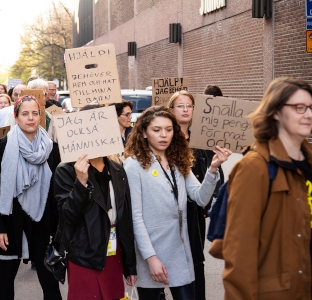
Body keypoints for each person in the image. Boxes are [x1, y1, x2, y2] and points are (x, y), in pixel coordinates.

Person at [123, 106, 230, 299]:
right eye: (156, 130)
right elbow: (136, 217)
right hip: (151, 251)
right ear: (144, 133)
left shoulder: (177, 159)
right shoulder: (133, 164)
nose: (164, 135)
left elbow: (200, 197)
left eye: (169, 129)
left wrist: (213, 169)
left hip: (179, 249)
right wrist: (150, 258)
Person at [222, 77, 312, 299]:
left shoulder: (308, 162)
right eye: (299, 108)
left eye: (311, 107)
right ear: (275, 112)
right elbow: (239, 251)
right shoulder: (255, 167)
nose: (308, 114)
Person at [53, 104, 137, 300]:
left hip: (114, 253)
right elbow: (67, 216)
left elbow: (126, 218)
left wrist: (130, 264)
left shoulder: (117, 169)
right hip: (85, 254)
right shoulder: (65, 170)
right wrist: (81, 183)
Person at [0, 95, 62, 300]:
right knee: (6, 276)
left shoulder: (52, 148)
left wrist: (57, 230)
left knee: (49, 279)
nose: (30, 118)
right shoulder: (3, 146)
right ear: (16, 117)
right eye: (25, 113)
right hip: (10, 221)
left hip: (43, 223)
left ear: (41, 117)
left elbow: (57, 192)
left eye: (35, 113)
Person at [166, 90, 225, 300]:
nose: (185, 109)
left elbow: (215, 174)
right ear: (171, 109)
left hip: (195, 210)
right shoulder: (164, 139)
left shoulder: (203, 139)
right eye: (180, 105)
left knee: (195, 260)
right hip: (170, 211)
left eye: (188, 106)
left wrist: (209, 203)